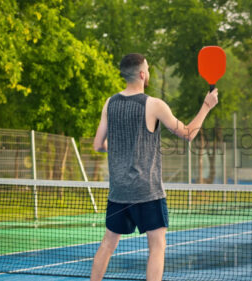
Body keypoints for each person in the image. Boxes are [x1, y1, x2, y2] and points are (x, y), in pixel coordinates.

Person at [90, 53, 218, 281]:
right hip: (147, 192)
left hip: (118, 193)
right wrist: (206, 107)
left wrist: (122, 148)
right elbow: (188, 134)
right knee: (157, 247)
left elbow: (98, 145)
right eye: (147, 69)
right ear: (141, 74)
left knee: (108, 244)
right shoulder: (154, 105)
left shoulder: (110, 103)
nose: (148, 73)